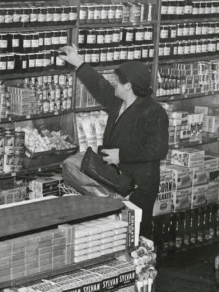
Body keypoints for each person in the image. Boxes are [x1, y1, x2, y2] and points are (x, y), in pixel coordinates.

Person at [59, 45, 169, 238]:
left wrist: (122, 155)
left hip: (139, 187)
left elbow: (158, 149)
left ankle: (140, 266)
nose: (114, 83)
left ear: (129, 86)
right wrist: (77, 62)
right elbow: (98, 85)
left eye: (118, 81)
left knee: (135, 235)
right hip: (114, 181)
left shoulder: (153, 112)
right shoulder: (118, 102)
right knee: (115, 232)